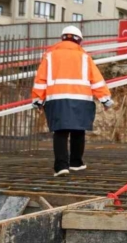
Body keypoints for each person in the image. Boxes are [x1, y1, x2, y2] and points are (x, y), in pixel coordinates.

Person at [31, 26, 114, 177]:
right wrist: (105, 99)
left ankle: (61, 166)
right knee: (78, 130)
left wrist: (38, 100)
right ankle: (76, 163)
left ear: (63, 38)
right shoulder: (84, 56)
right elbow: (96, 79)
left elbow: (41, 79)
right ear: (79, 40)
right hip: (81, 98)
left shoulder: (50, 55)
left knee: (61, 131)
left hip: (57, 98)